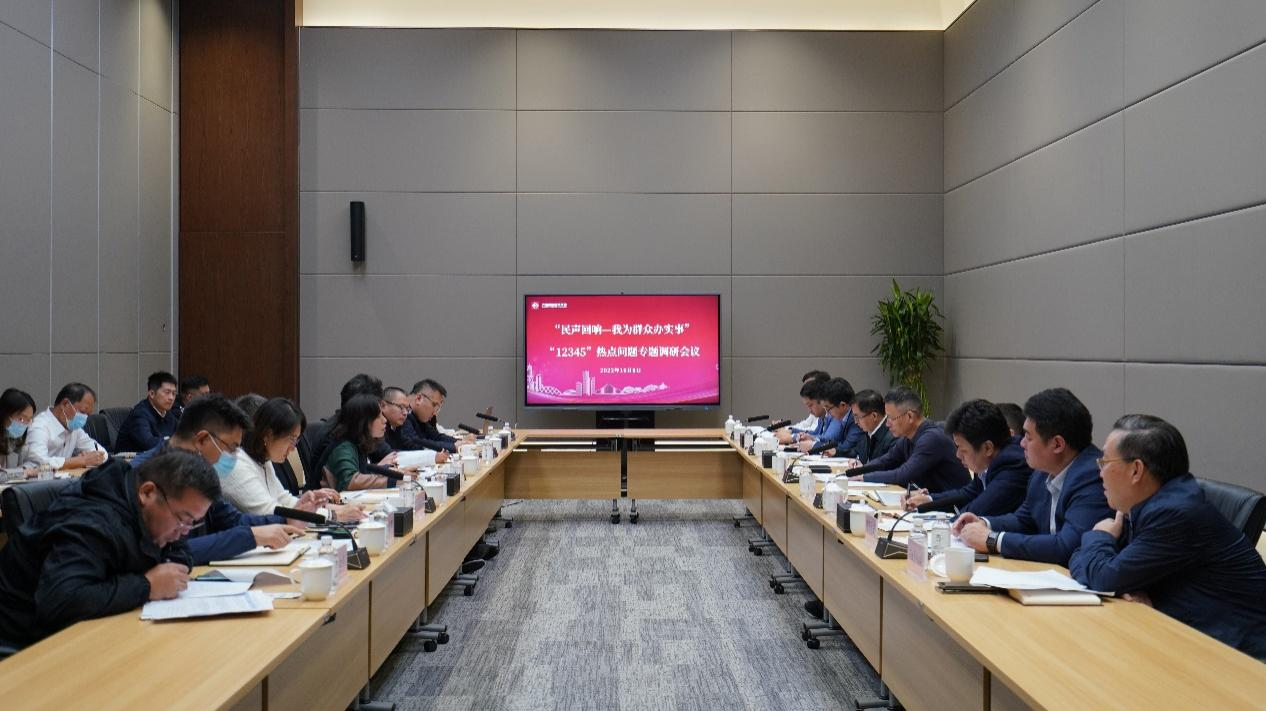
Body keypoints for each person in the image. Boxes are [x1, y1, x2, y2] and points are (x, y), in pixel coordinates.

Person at [1069, 415, 1266, 658]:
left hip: (1241, 657)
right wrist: (1119, 581)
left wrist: (1099, 536)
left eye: (1104, 461)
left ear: (1136, 470)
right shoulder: (1145, 503)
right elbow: (1082, 559)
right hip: (1189, 638)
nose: (1099, 473)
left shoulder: (1175, 513)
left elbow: (1104, 577)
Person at [0, 450, 216, 648]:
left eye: (192, 523)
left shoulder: (150, 511)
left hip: (80, 630)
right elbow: (61, 601)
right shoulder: (93, 523)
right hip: (22, 641)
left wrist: (168, 570)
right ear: (147, 492)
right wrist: (147, 585)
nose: (183, 532)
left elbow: (179, 550)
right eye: (182, 519)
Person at [132, 394, 303, 565]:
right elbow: (168, 552)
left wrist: (286, 520)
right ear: (202, 440)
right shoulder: (142, 474)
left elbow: (230, 519)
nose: (235, 456)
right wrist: (250, 537)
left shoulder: (202, 473)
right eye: (232, 448)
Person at [953, 388, 1111, 565]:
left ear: (1057, 444)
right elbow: (1023, 520)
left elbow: (1067, 546)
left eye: (1028, 437)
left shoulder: (1093, 477)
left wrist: (993, 540)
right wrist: (984, 523)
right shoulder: (1041, 473)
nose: (1021, 443)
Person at [222, 397, 363, 521]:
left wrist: (327, 507)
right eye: (291, 440)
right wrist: (333, 515)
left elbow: (284, 500)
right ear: (268, 434)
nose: (293, 448)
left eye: (296, 441)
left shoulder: (263, 460)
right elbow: (270, 511)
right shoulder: (237, 464)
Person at [903, 399, 1031, 517]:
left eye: (962, 449)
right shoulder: (987, 461)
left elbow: (978, 510)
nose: (958, 455)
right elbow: (969, 493)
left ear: (987, 448)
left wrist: (945, 522)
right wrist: (928, 500)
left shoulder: (1013, 464)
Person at [845, 388, 969, 492]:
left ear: (909, 416)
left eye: (891, 418)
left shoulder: (931, 438)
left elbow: (903, 474)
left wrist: (864, 477)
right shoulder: (907, 438)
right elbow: (886, 461)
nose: (887, 424)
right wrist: (859, 470)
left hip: (952, 507)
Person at [318, 394, 401, 491]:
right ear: (363, 422)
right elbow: (350, 481)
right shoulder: (343, 446)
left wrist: (398, 474)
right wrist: (394, 481)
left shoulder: (358, 442)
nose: (385, 420)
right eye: (378, 416)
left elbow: (363, 472)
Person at [22, 382, 107, 471]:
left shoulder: (74, 429)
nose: (85, 418)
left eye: (88, 415)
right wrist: (81, 461)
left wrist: (94, 457)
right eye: (82, 412)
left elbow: (103, 453)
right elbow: (40, 463)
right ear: (65, 404)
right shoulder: (39, 426)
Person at [379, 386, 449, 466]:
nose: (405, 413)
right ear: (383, 405)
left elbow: (410, 446)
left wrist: (432, 455)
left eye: (407, 408)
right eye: (401, 407)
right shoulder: (379, 427)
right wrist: (431, 457)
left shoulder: (397, 426)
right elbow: (390, 455)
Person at [114, 371, 180, 453]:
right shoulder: (139, 414)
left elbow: (183, 434)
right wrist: (177, 442)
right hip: (131, 459)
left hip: (159, 458)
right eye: (167, 392)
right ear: (152, 394)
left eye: (174, 393)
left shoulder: (168, 414)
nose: (171, 398)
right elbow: (149, 444)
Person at [796, 378, 863, 457]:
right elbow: (832, 441)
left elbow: (846, 447)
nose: (827, 414)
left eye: (828, 408)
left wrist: (814, 446)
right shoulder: (842, 417)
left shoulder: (856, 420)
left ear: (843, 405)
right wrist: (813, 438)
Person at [405, 379, 472, 454]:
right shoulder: (404, 414)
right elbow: (417, 442)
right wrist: (453, 446)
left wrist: (460, 442)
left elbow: (435, 436)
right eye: (434, 405)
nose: (434, 413)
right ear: (419, 398)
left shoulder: (417, 415)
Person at [777, 377, 830, 446]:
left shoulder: (834, 417)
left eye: (810, 405)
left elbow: (827, 439)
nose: (809, 410)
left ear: (821, 400)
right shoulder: (822, 418)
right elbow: (815, 433)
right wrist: (791, 431)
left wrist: (794, 438)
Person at [850, 389, 896, 464]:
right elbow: (857, 453)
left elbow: (886, 468)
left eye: (857, 417)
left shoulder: (893, 437)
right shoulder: (868, 431)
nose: (855, 422)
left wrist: (863, 468)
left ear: (874, 416)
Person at [1, 388, 37, 470]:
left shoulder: (17, 440)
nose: (25, 425)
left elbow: (34, 462)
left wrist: (22, 470)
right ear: (4, 415)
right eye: (21, 419)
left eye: (29, 420)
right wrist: (21, 472)